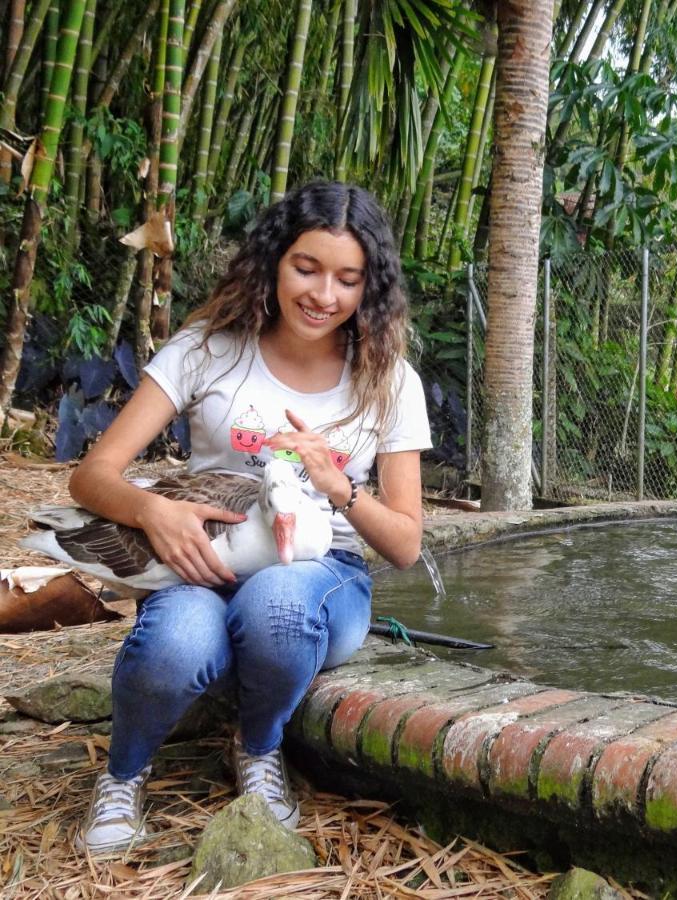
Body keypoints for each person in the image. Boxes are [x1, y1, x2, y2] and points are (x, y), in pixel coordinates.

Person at [71, 181, 431, 853]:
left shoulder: (388, 379)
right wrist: (155, 512)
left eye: (348, 279)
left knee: (276, 607)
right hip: (203, 561)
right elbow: (91, 476)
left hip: (321, 571)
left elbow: (407, 544)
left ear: (369, 288)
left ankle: (258, 748)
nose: (324, 295)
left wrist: (337, 485)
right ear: (272, 260)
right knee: (176, 644)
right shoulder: (207, 349)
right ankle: (123, 774)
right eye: (307, 267)